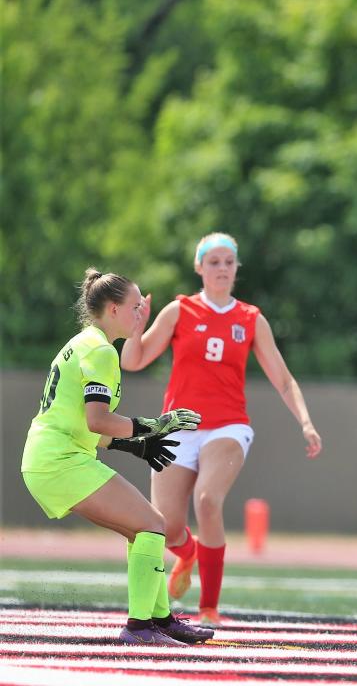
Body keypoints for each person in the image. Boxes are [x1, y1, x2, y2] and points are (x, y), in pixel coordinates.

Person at [120, 233, 323, 626]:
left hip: (227, 425)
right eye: (213, 262)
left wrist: (306, 421)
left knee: (209, 499)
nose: (222, 269)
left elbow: (283, 379)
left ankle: (209, 608)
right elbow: (135, 360)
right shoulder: (179, 311)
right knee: (165, 525)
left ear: (236, 267)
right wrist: (135, 328)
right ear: (199, 267)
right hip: (178, 426)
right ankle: (190, 553)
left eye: (229, 262)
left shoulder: (250, 319)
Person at [21, 268, 214, 646]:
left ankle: (159, 619)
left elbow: (85, 424)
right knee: (153, 525)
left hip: (51, 457)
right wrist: (152, 426)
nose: (142, 312)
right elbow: (98, 419)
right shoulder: (101, 350)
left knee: (142, 528)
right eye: (136, 306)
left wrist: (136, 444)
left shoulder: (84, 342)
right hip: (58, 461)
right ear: (112, 309)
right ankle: (141, 627)